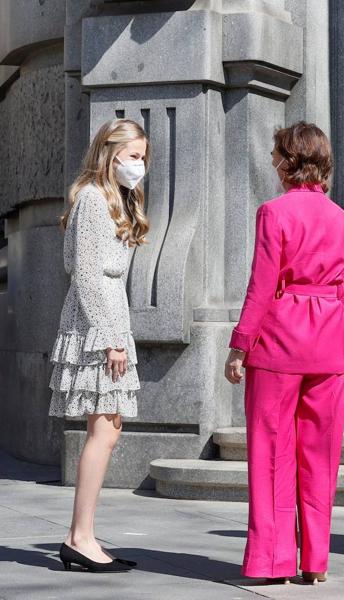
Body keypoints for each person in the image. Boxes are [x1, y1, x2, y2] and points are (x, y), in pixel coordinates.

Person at [224, 122, 344, 584]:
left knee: (272, 453)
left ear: (291, 160)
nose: (273, 162)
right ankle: (315, 561)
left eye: (278, 153)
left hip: (279, 343)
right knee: (321, 457)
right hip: (330, 348)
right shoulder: (343, 219)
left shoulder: (274, 212)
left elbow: (262, 286)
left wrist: (240, 344)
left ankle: (273, 560)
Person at [49, 119, 150, 572]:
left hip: (110, 318)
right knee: (104, 430)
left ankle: (82, 535)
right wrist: (110, 338)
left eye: (143, 157)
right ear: (110, 155)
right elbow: (84, 272)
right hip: (97, 323)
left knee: (108, 430)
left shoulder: (116, 199)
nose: (140, 166)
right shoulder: (92, 198)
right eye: (133, 157)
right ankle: (80, 537)